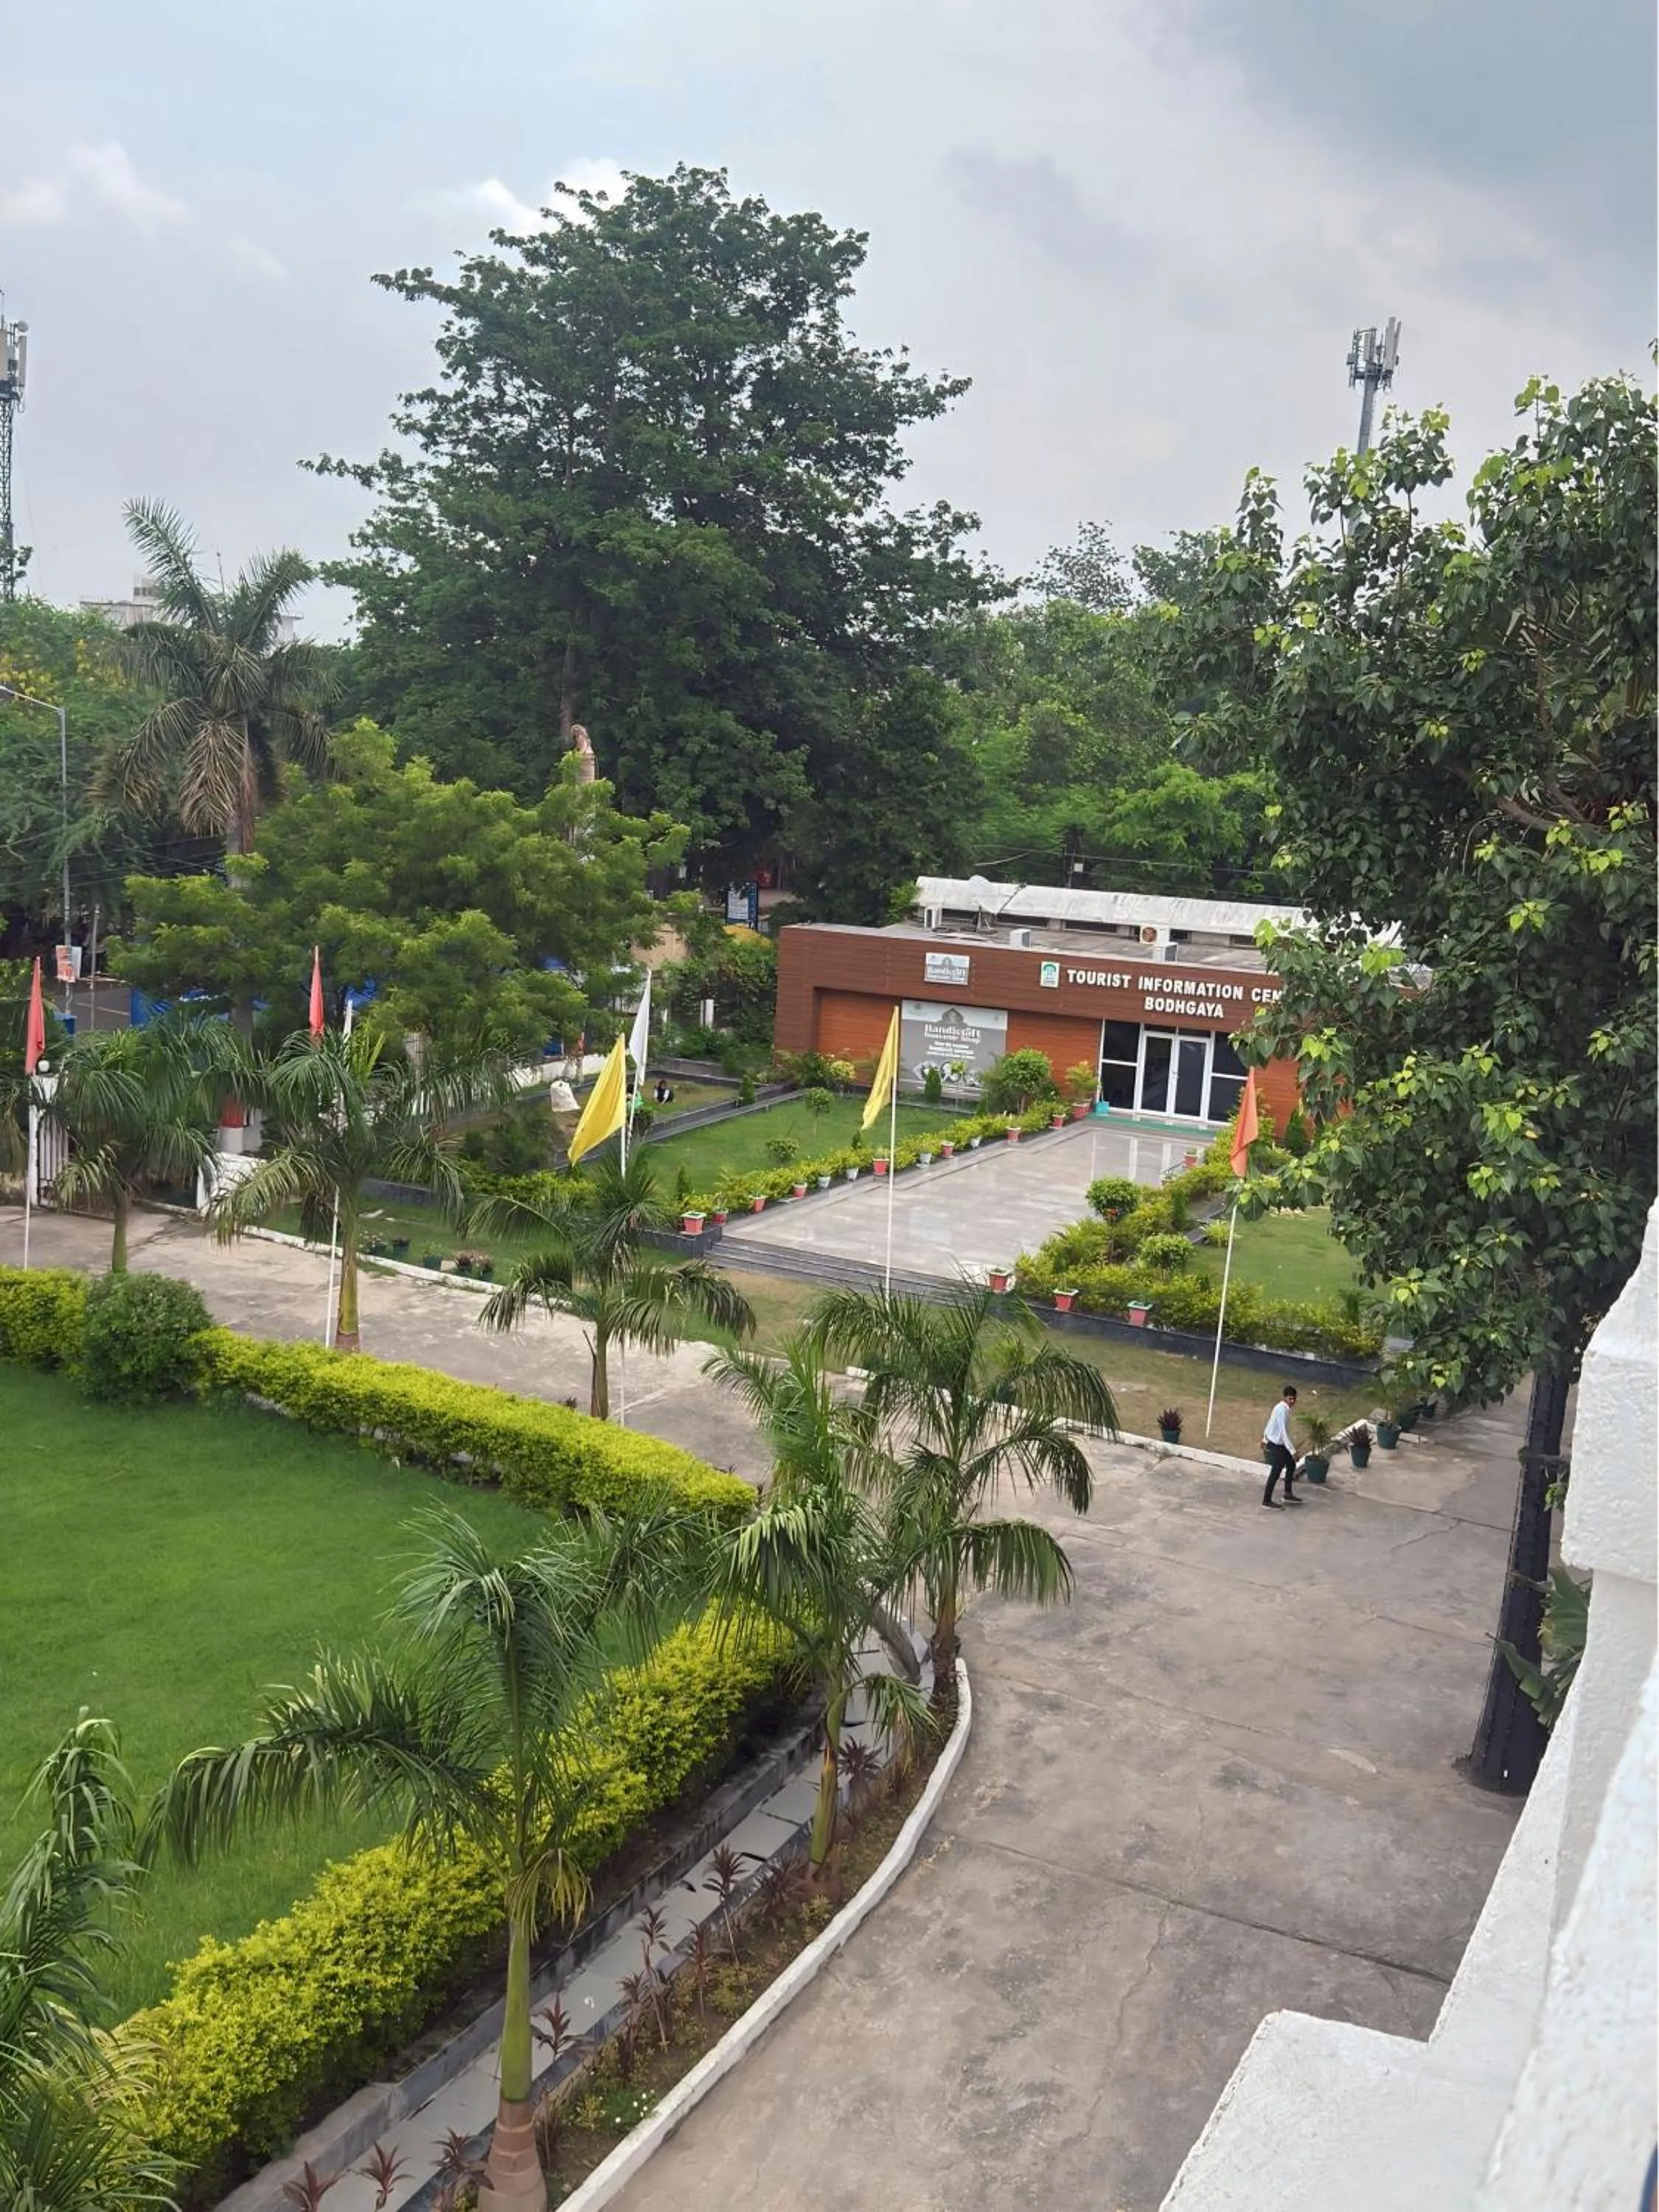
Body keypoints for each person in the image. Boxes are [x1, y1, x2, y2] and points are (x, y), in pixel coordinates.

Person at [1262, 1385, 1302, 1507]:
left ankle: (1287, 1493)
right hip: (1277, 1445)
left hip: (1279, 1443)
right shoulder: (1282, 1410)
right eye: (1290, 1399)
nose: (1293, 1402)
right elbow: (1284, 1433)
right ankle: (1267, 1501)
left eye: (1294, 1399)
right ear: (1285, 1398)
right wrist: (1293, 1451)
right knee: (1276, 1472)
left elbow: (1270, 1423)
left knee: (1291, 1464)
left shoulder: (1280, 1408)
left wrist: (1264, 1438)